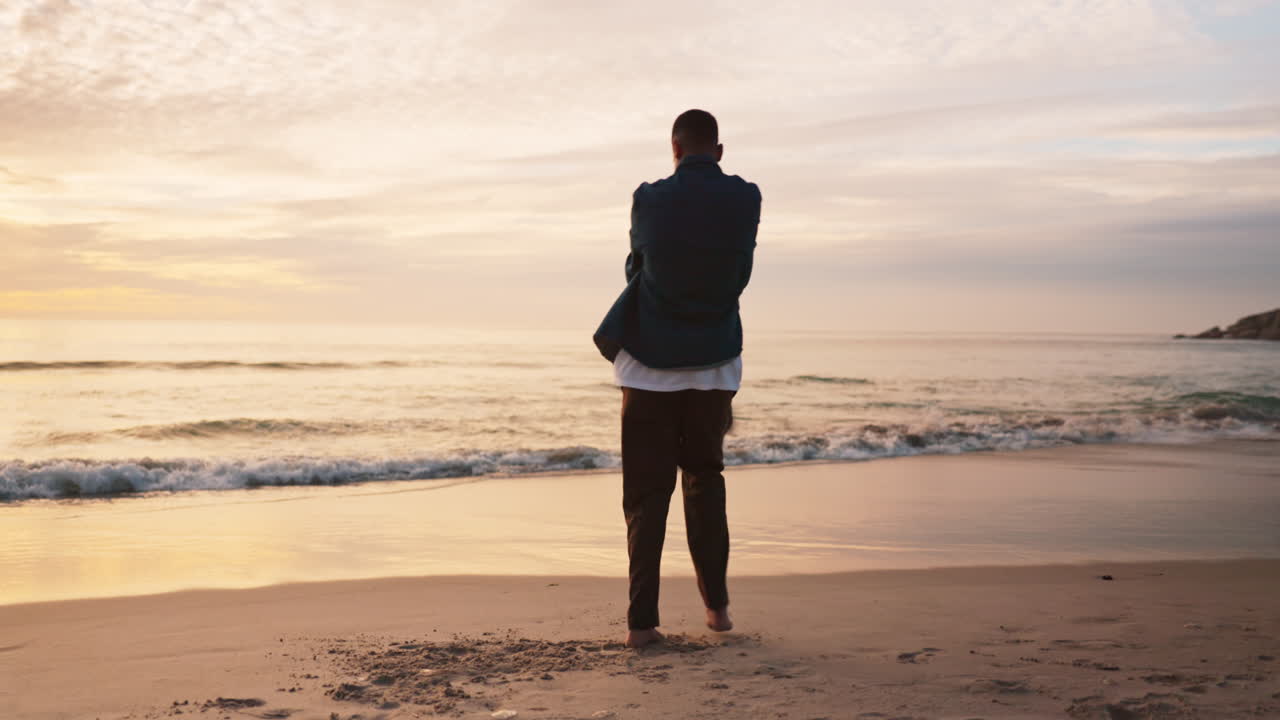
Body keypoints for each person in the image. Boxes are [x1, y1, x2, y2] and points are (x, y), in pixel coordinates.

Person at [592, 109, 762, 649]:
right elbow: (740, 275)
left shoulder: (649, 198)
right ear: (718, 151)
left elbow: (637, 266)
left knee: (646, 495)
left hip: (647, 368)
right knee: (705, 481)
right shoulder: (747, 198)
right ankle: (716, 610)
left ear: (674, 149)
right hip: (714, 364)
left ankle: (642, 623)